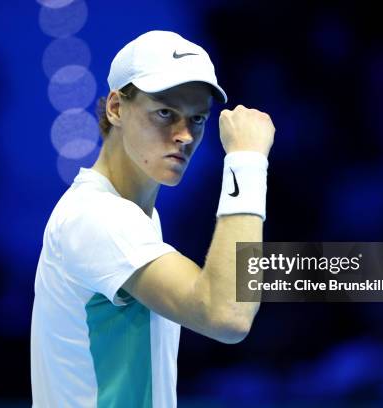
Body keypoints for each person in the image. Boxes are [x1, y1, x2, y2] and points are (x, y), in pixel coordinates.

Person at [30, 30, 275, 407]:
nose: (184, 136)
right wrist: (247, 160)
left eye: (197, 119)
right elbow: (227, 313)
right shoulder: (98, 218)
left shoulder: (131, 215)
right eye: (165, 113)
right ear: (115, 107)